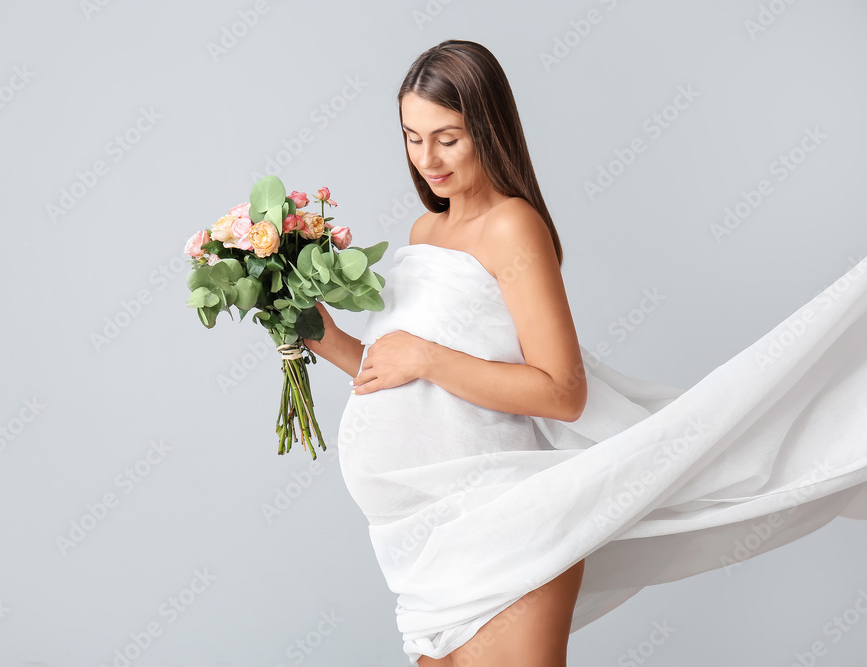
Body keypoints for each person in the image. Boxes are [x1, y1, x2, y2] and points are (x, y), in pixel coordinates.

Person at [304, 40, 867, 666]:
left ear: (487, 130)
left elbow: (560, 392)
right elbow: (407, 378)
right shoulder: (423, 232)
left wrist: (427, 356)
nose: (427, 159)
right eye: (412, 137)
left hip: (506, 525)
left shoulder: (513, 226)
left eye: (448, 138)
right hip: (426, 541)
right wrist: (324, 338)